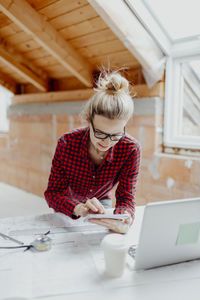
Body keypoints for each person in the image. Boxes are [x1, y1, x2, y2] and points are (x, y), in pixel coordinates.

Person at [44, 70, 141, 234]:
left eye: (116, 135)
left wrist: (125, 217)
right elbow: (53, 193)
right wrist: (77, 208)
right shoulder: (67, 143)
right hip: (68, 203)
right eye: (100, 133)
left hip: (102, 203)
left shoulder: (130, 149)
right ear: (89, 120)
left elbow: (126, 197)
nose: (107, 142)